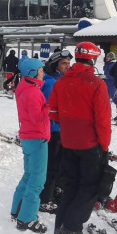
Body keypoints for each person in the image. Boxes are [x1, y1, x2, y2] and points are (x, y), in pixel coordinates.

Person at [49, 41, 111, 234]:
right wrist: (104, 145)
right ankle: (71, 233)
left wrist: (69, 125)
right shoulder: (96, 83)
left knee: (71, 186)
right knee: (89, 188)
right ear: (93, 59)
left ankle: (61, 228)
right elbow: (102, 119)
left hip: (68, 142)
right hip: (90, 144)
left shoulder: (62, 82)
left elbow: (53, 112)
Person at [10, 57, 48, 234]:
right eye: (41, 71)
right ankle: (27, 219)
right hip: (36, 138)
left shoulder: (24, 87)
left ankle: (17, 210)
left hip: (28, 137)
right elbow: (37, 118)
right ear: (33, 73)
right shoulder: (33, 92)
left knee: (28, 175)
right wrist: (50, 108)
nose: (43, 74)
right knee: (37, 180)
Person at [38, 49, 72, 214]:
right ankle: (45, 199)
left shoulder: (58, 79)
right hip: (53, 130)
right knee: (52, 165)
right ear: (55, 65)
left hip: (60, 129)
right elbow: (50, 108)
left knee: (59, 165)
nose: (67, 66)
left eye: (68, 63)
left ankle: (55, 192)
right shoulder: (51, 82)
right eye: (64, 63)